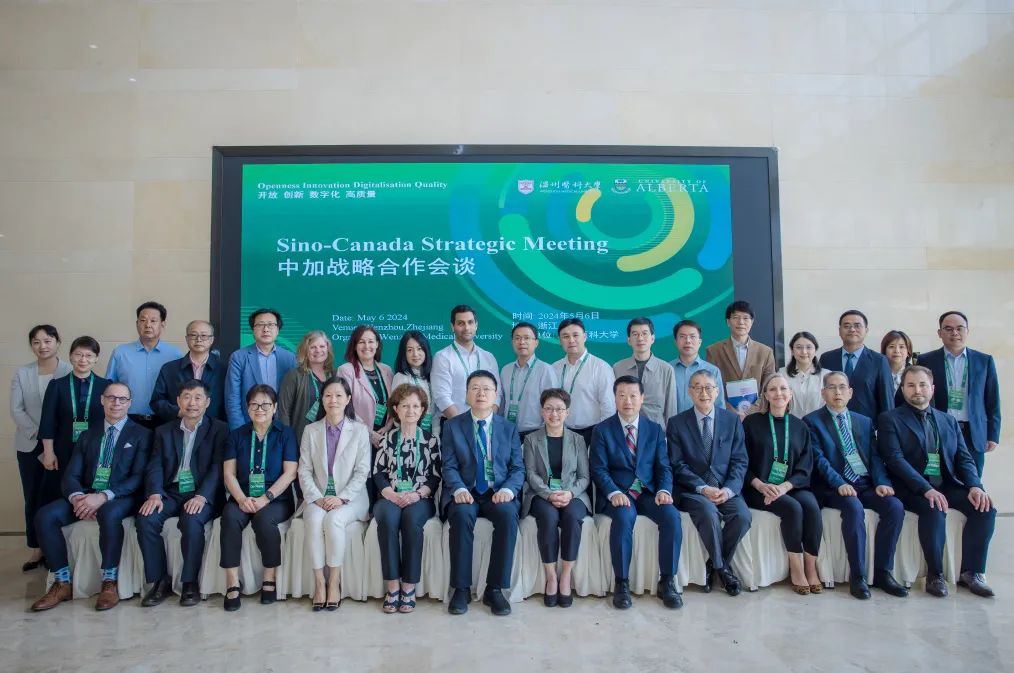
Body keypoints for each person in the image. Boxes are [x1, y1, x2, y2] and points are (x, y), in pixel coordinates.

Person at [31, 382, 151, 612]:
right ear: (102, 400)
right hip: (86, 493)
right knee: (45, 516)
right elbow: (71, 474)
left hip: (121, 496)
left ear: (130, 403)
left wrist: (103, 496)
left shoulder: (142, 435)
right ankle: (62, 582)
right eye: (111, 398)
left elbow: (139, 478)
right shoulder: (88, 434)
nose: (116, 403)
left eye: (122, 399)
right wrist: (78, 498)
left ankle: (109, 582)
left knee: (109, 512)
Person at [878, 365, 996, 598]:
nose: (917, 390)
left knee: (985, 508)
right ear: (903, 389)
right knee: (934, 508)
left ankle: (971, 573)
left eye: (922, 385)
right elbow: (894, 459)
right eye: (911, 385)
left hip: (946, 484)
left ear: (932, 388)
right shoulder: (889, 419)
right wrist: (926, 489)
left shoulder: (948, 420)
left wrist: (975, 486)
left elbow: (963, 458)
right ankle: (935, 575)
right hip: (911, 488)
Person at [804, 371, 907, 600]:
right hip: (833, 487)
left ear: (850, 392)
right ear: (823, 393)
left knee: (895, 506)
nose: (837, 392)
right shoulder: (812, 421)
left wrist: (881, 482)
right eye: (831, 387)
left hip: (864, 483)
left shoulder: (864, 421)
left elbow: (875, 457)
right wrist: (839, 483)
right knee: (853, 507)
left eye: (842, 387)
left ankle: (883, 572)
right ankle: (858, 576)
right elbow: (819, 460)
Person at [591, 375, 683, 610]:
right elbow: (599, 469)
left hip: (648, 492)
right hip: (619, 493)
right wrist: (613, 492)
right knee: (623, 518)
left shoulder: (655, 429)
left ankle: (667, 581)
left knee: (672, 516)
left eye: (633, 395)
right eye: (622, 395)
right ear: (615, 398)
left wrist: (664, 490)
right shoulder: (602, 430)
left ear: (642, 398)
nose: (628, 401)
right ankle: (621, 583)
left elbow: (663, 466)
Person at [136, 379, 229, 607]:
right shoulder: (163, 431)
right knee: (146, 519)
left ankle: (189, 582)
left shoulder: (219, 429)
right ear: (178, 401)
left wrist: (202, 496)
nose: (192, 403)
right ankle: (160, 582)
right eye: (187, 397)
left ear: (207, 402)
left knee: (191, 520)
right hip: (171, 492)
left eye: (198, 398)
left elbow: (218, 467)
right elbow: (155, 465)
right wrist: (155, 494)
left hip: (201, 493)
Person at [441, 370, 524, 616]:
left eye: (486, 389)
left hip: (497, 491)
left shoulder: (508, 428)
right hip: (465, 490)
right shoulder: (453, 426)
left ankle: (495, 589)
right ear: (466, 394)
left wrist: (508, 490)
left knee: (508, 516)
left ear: (495, 395)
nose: (481, 393)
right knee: (461, 515)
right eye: (475, 388)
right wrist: (458, 488)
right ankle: (461, 589)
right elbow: (448, 465)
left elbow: (518, 468)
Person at [666, 370, 749, 597]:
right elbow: (677, 464)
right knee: (708, 511)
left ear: (717, 391)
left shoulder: (732, 421)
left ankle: (714, 564)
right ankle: (723, 570)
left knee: (742, 516)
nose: (704, 393)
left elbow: (740, 461)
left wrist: (729, 490)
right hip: (693, 491)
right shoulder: (676, 423)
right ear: (689, 392)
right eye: (698, 387)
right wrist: (703, 488)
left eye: (709, 387)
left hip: (725, 489)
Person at [742, 372, 823, 595]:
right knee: (792, 508)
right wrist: (760, 485)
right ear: (766, 395)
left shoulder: (800, 426)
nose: (779, 393)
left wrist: (785, 486)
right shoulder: (751, 423)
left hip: (791, 486)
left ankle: (810, 567)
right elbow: (741, 462)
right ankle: (796, 569)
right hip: (758, 488)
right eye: (773, 389)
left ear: (790, 394)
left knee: (812, 508)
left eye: (783, 388)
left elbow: (805, 467)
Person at [219, 384, 298, 611]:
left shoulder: (286, 434)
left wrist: (266, 497)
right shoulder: (236, 435)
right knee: (229, 518)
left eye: (265, 404)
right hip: (242, 495)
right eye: (254, 404)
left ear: (274, 407)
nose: (260, 409)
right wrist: (241, 499)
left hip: (276, 498)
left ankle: (269, 577)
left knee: (264, 520)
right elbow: (228, 474)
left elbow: (290, 473)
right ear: (247, 408)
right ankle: (232, 582)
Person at [298, 377, 371, 612]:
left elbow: (362, 471)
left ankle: (334, 581)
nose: (333, 400)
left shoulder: (359, 430)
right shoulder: (310, 430)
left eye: (339, 395)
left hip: (352, 497)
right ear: (322, 399)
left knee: (334, 519)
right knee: (314, 519)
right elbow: (304, 470)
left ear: (348, 399)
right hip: (318, 496)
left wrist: (341, 498)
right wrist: (317, 497)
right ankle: (320, 582)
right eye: (328, 395)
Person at [373, 384, 441, 614]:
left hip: (420, 498)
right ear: (396, 409)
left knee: (411, 521)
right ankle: (393, 586)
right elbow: (378, 473)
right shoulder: (387, 439)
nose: (410, 410)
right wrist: (392, 494)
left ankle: (409, 586)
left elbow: (435, 476)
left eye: (415, 406)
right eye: (405, 406)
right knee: (388, 519)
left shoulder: (431, 440)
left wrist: (417, 494)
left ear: (422, 410)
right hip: (390, 496)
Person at [522, 389, 591, 608]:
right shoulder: (531, 439)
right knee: (548, 517)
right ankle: (551, 576)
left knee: (571, 517)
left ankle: (566, 575)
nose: (554, 414)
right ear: (542, 411)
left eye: (559, 409)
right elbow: (530, 474)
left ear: (567, 413)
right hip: (541, 494)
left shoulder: (578, 440)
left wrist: (569, 493)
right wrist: (549, 494)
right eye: (549, 409)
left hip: (573, 493)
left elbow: (584, 476)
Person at [10, 325, 72, 571]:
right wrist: (42, 435)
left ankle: (58, 547)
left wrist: (54, 439)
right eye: (36, 342)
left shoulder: (70, 370)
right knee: (33, 495)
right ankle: (36, 548)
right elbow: (16, 409)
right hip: (30, 443)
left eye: (47, 340)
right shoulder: (22, 373)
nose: (42, 346)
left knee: (58, 494)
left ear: (58, 342)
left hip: (62, 444)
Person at [917, 311, 1001, 477]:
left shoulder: (984, 361)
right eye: (948, 329)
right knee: (939, 479)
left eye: (959, 328)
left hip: (973, 432)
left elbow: (992, 400)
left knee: (973, 480)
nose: (954, 333)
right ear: (939, 333)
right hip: (939, 430)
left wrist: (993, 435)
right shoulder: (926, 360)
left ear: (967, 331)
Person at [38, 336, 110, 506]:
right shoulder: (57, 385)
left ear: (96, 358)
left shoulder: (106, 386)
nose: (83, 360)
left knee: (91, 493)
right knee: (61, 494)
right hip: (63, 449)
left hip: (96, 449)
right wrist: (48, 453)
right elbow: (47, 421)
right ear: (70, 356)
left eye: (89, 355)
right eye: (78, 354)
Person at [106, 301, 183, 430]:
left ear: (162, 324)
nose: (148, 325)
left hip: (165, 421)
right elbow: (109, 387)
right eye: (143, 320)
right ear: (137, 324)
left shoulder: (175, 354)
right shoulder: (120, 353)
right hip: (128, 419)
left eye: (153, 321)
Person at [224, 308, 297, 430]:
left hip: (280, 426)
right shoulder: (239, 357)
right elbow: (232, 398)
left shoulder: (290, 358)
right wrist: (239, 431)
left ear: (277, 330)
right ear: (253, 330)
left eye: (271, 324)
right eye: (260, 324)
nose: (266, 329)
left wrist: (287, 430)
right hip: (248, 425)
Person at [817, 309, 894, 422]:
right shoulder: (827, 359)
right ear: (839, 331)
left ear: (866, 330)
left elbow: (887, 401)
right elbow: (820, 397)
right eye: (847, 326)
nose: (852, 329)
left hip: (868, 427)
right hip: (831, 426)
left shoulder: (879, 361)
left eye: (857, 326)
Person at [704, 300, 776, 419]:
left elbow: (770, 386)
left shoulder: (765, 352)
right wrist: (731, 412)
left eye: (745, 318)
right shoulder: (713, 351)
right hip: (725, 415)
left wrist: (749, 412)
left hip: (757, 416)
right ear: (728, 322)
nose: (741, 322)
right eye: (736, 317)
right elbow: (710, 385)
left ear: (752, 322)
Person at [552, 318, 615, 448]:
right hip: (561, 431)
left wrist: (601, 437)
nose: (571, 340)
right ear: (560, 340)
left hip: (592, 432)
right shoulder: (554, 368)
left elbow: (608, 407)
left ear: (585, 337)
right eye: (565, 336)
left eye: (575, 335)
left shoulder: (601, 367)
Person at [431, 305, 500, 422]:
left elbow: (497, 394)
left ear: (476, 325)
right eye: (461, 323)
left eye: (470, 322)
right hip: (454, 424)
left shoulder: (488, 358)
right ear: (452, 327)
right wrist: (465, 426)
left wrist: (486, 423)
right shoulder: (442, 357)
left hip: (485, 426)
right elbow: (442, 397)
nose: (467, 328)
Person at [150, 320, 225, 424]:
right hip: (176, 427)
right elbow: (156, 401)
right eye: (193, 335)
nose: (199, 339)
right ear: (187, 339)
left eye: (204, 335)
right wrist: (179, 412)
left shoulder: (224, 370)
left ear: (211, 340)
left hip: (214, 428)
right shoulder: (169, 369)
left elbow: (230, 402)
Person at [337, 325, 395, 450]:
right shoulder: (346, 371)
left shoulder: (387, 370)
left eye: (371, 341)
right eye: (361, 342)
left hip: (386, 437)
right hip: (357, 439)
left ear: (377, 344)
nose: (366, 346)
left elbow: (396, 402)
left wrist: (388, 426)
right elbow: (345, 407)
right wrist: (370, 434)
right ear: (355, 346)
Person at [613, 317, 677, 427]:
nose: (640, 338)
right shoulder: (618, 368)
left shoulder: (666, 369)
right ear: (629, 340)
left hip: (657, 432)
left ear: (652, 338)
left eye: (644, 333)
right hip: (625, 431)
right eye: (635, 334)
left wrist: (670, 434)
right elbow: (613, 405)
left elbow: (671, 409)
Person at [499, 322, 559, 440]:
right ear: (512, 342)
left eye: (527, 338)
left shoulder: (546, 370)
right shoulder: (506, 370)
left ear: (536, 342)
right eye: (517, 338)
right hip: (507, 432)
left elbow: (553, 404)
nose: (522, 342)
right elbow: (502, 402)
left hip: (536, 433)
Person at [278, 330, 335, 445]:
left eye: (322, 346)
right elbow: (283, 411)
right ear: (305, 350)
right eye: (313, 347)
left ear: (328, 349)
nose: (318, 350)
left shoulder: (335, 375)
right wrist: (288, 441)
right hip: (301, 440)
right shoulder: (294, 375)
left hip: (330, 440)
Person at [669, 319, 725, 414]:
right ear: (676, 342)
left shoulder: (712, 371)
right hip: (672, 422)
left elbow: (719, 405)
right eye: (682, 337)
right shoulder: (666, 370)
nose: (688, 341)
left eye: (692, 336)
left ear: (700, 342)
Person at [391, 330, 436, 434]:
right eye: (410, 350)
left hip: (431, 433)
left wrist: (435, 434)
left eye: (419, 349)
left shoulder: (431, 375)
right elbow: (397, 414)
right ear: (404, 354)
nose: (415, 354)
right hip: (409, 435)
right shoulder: (401, 377)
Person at [778, 331, 825, 418]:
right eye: (799, 347)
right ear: (792, 350)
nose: (804, 351)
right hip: (790, 423)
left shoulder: (826, 375)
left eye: (809, 347)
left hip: (818, 423)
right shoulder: (781, 374)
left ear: (815, 350)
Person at [880, 329, 914, 397]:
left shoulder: (915, 373)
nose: (897, 351)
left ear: (908, 351)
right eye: (891, 347)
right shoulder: (877, 373)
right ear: (884, 351)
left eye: (901, 347)